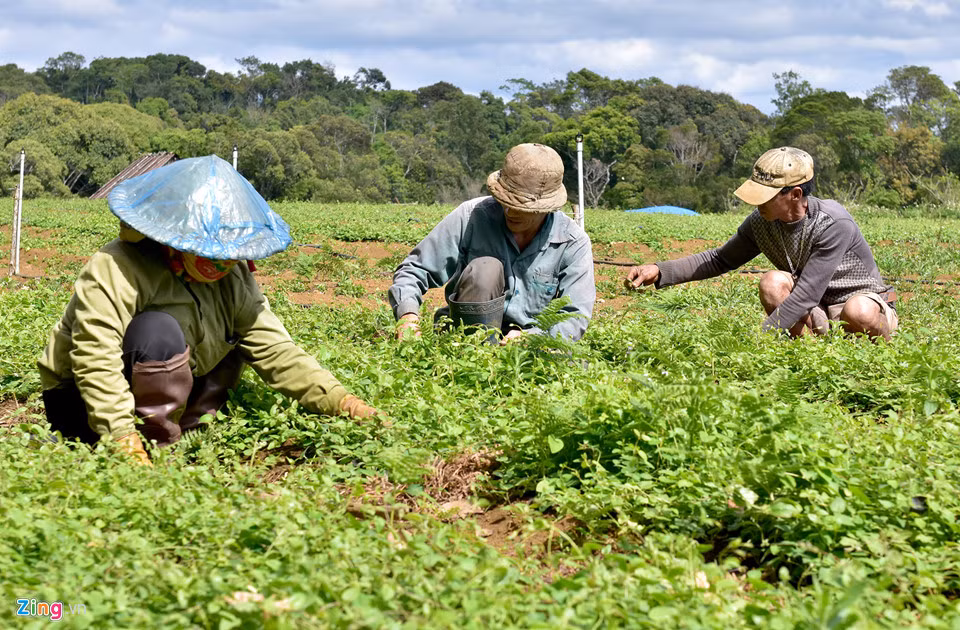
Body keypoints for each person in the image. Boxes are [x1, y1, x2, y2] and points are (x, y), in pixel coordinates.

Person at [37, 155, 381, 465]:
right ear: (172, 238)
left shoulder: (234, 278)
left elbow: (277, 350)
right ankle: (152, 448)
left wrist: (344, 403)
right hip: (82, 402)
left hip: (169, 388)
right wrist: (122, 437)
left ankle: (191, 436)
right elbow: (94, 355)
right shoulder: (118, 265)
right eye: (210, 251)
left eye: (231, 254)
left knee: (240, 335)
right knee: (158, 331)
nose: (222, 263)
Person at [624, 146, 897, 340]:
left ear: (795, 194)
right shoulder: (761, 222)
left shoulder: (833, 223)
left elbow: (806, 295)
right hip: (818, 311)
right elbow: (720, 259)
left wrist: (762, 337)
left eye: (766, 195)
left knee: (857, 311)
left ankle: (883, 350)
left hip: (861, 307)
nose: (756, 202)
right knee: (772, 282)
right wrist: (660, 271)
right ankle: (810, 356)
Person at [388, 143, 596, 343]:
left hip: (529, 349)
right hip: (466, 338)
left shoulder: (572, 242)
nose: (509, 211)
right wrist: (407, 316)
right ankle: (474, 352)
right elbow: (415, 268)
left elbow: (576, 315)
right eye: (504, 200)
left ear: (545, 207)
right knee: (485, 269)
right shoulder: (471, 216)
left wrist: (533, 338)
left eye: (520, 206)